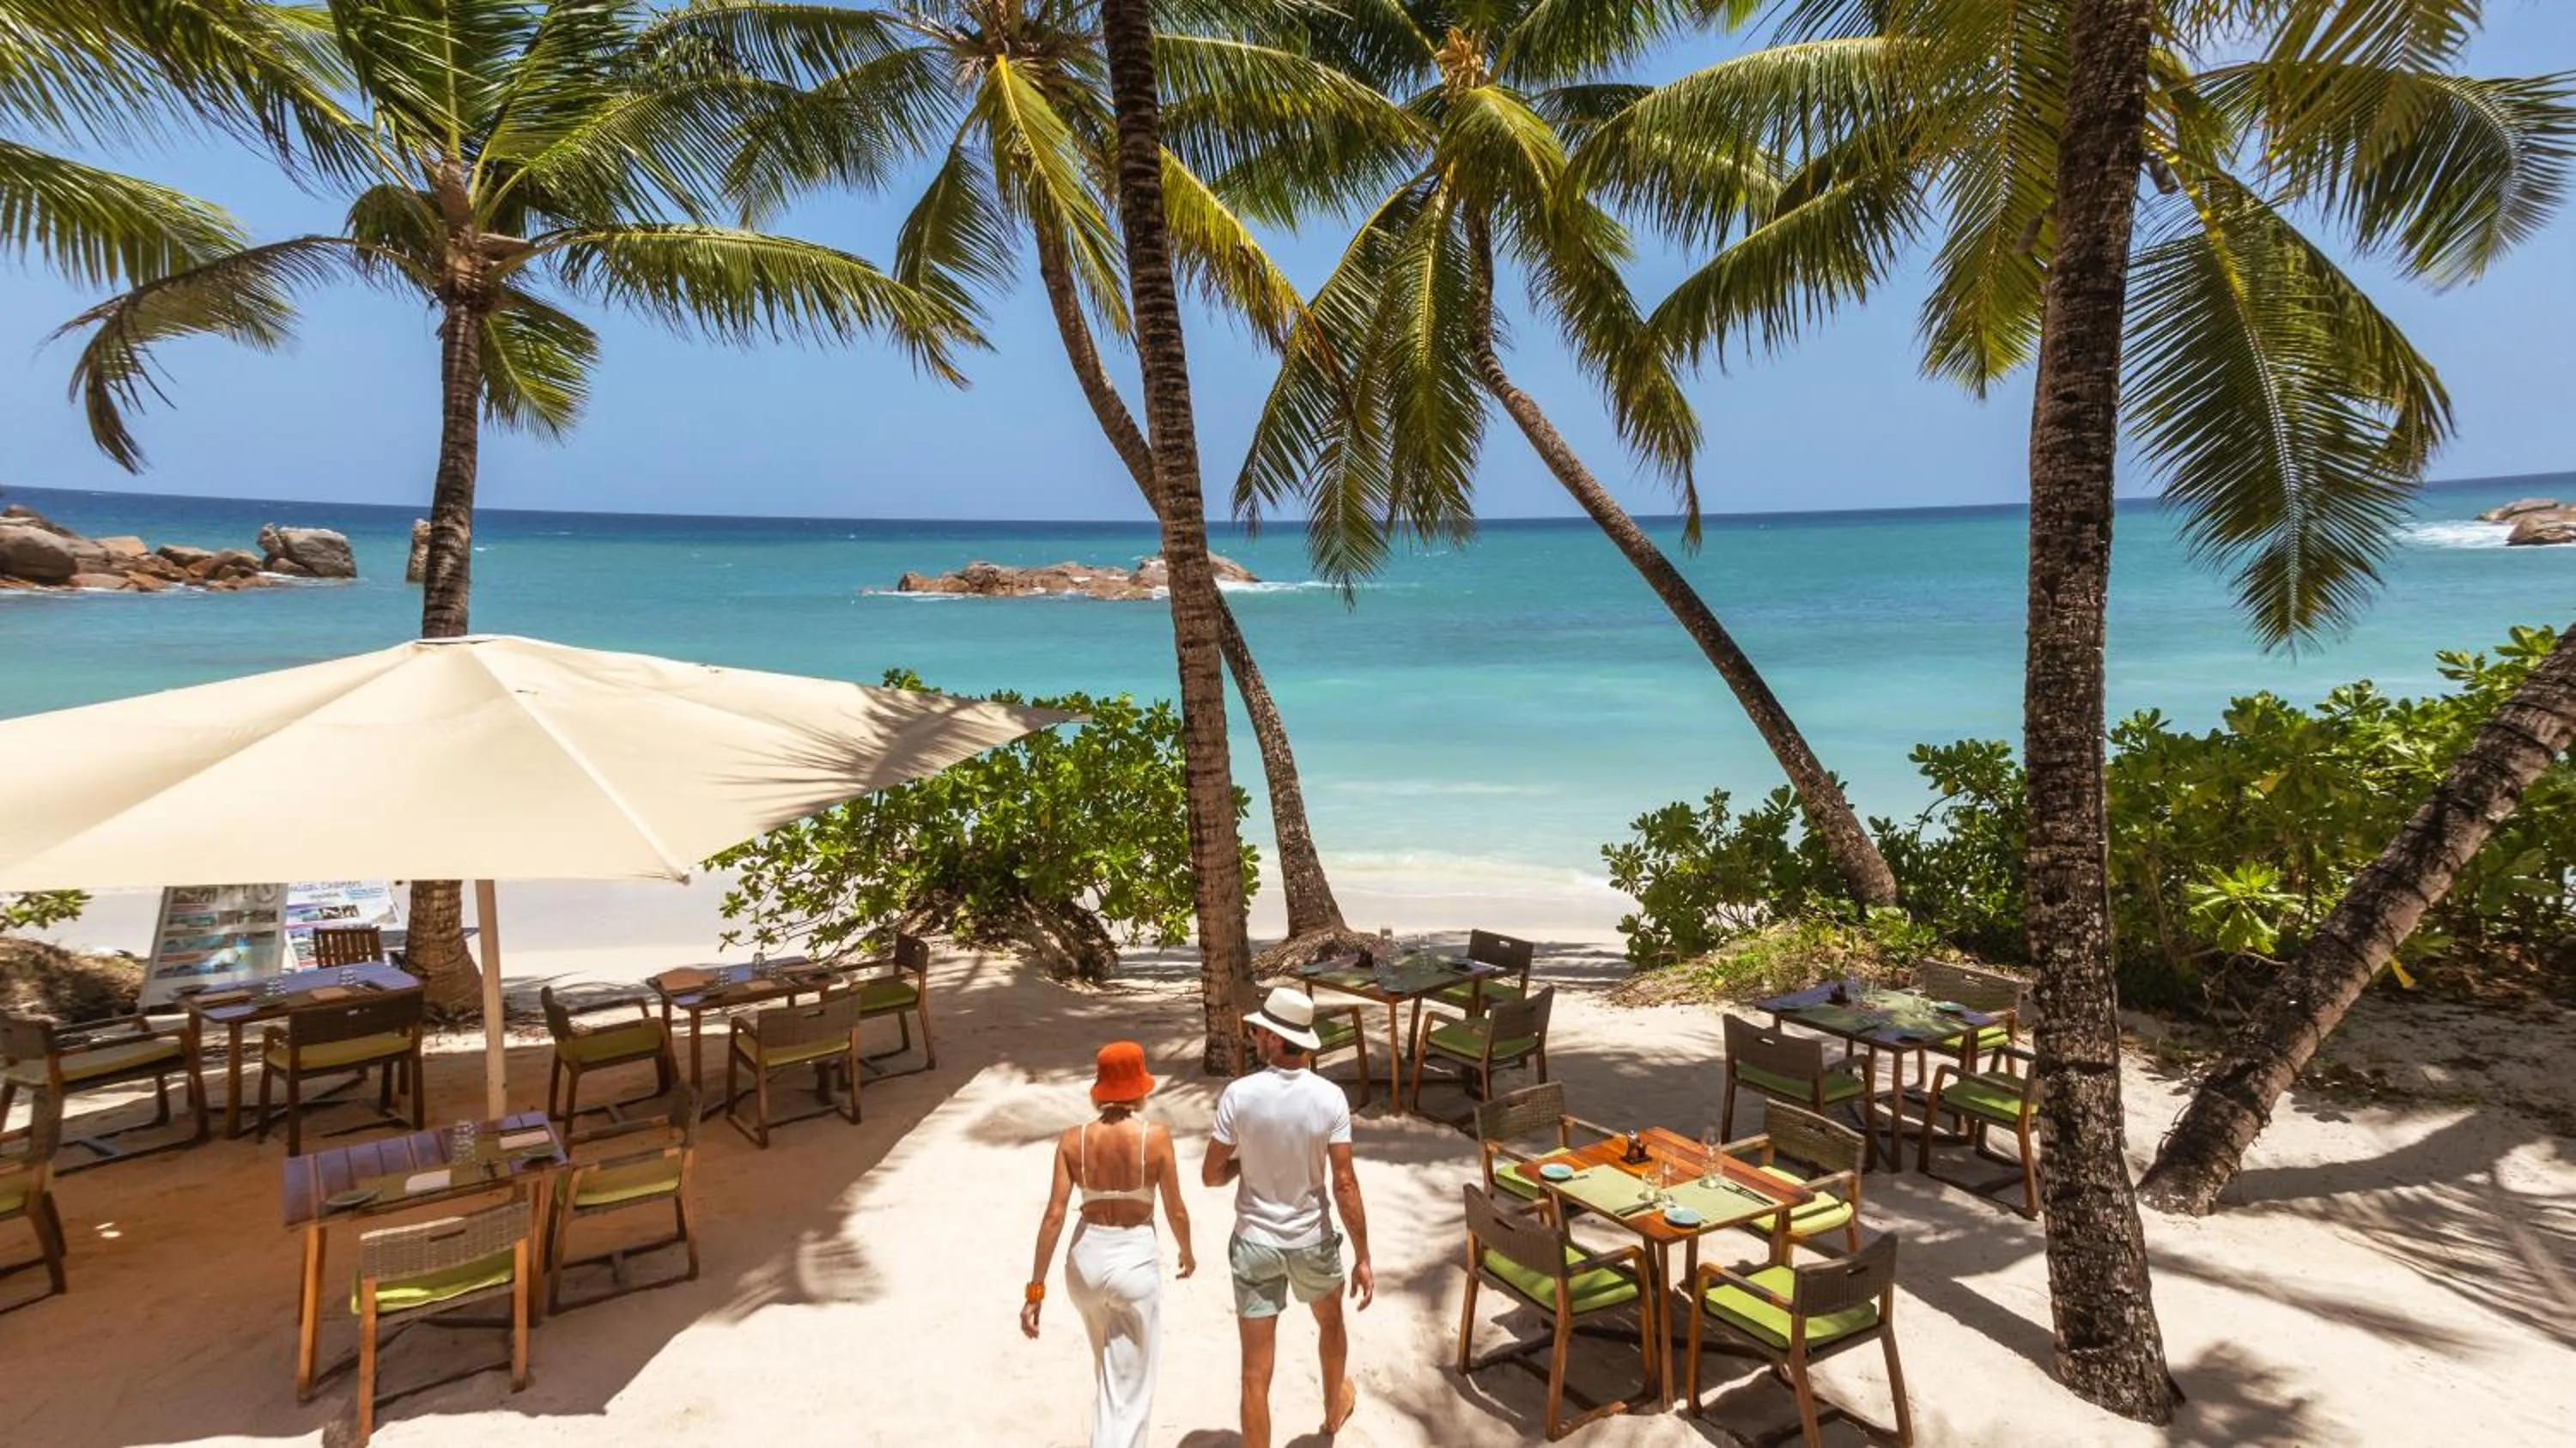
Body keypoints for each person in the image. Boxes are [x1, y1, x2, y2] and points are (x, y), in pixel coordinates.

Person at [1203, 987, 1374, 1447]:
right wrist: (1362, 1255)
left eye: (1261, 1030)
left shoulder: (1238, 1095)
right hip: (1311, 1241)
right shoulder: (1331, 1098)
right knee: (1331, 1323)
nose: (1256, 1035)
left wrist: (1246, 1163)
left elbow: (1211, 1175)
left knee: (1254, 1374)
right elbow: (1344, 1183)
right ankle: (1332, 1412)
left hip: (1254, 1243)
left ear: (1277, 1040)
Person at [1022, 1041, 1196, 1448]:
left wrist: (1035, 1292)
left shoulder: (1072, 1140)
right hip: (1133, 1263)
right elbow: (1176, 1211)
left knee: (1109, 1375)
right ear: (1140, 1088)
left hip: (1083, 1265)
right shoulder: (1156, 1139)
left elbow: (1054, 1216)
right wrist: (1187, 1252)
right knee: (1131, 1392)